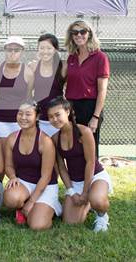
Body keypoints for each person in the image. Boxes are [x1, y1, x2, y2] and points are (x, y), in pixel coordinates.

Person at [47, 96, 112, 232]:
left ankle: (102, 216)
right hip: (75, 181)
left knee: (98, 201)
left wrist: (85, 191)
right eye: (51, 117)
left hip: (94, 176)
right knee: (70, 221)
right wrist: (71, 191)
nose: (54, 119)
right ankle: (88, 203)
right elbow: (62, 168)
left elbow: (90, 163)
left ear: (68, 112)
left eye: (58, 114)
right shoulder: (55, 138)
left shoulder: (84, 132)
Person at [3, 101, 61, 230]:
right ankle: (23, 207)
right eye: (20, 113)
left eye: (28, 114)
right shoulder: (12, 138)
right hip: (24, 183)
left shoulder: (45, 141)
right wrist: (12, 177)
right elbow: (8, 166)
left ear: (37, 116)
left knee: (36, 225)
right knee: (10, 198)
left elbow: (46, 177)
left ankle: (50, 206)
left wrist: (31, 202)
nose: (23, 117)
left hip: (45, 185)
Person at [64, 20, 109, 157]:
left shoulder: (100, 57)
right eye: (75, 32)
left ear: (89, 34)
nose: (79, 35)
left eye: (82, 31)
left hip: (90, 108)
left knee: (90, 151)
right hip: (71, 107)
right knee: (75, 149)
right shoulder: (71, 58)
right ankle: (77, 178)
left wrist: (95, 117)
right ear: (71, 36)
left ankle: (93, 178)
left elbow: (102, 90)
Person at [0, 36, 34, 142]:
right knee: (1, 154)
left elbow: (28, 98)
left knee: (17, 155)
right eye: (9, 49)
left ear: (22, 51)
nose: (13, 52)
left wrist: (27, 118)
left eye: (16, 50)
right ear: (5, 50)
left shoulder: (28, 73)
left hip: (19, 121)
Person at [30, 33, 66, 137]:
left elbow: (70, 92)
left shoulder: (63, 66)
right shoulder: (33, 66)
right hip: (40, 120)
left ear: (55, 49)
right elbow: (27, 94)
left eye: (49, 48)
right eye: (42, 48)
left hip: (57, 120)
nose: (45, 51)